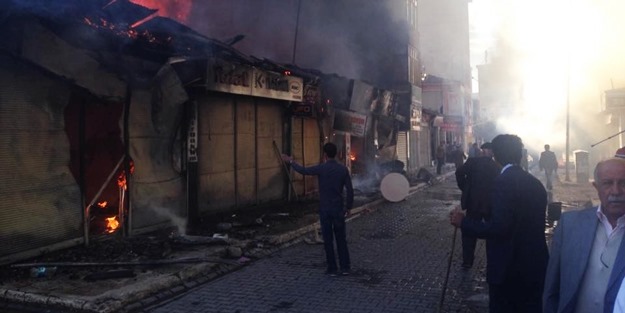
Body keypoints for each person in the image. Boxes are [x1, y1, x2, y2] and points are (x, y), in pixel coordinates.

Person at [450, 134, 549, 313]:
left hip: (509, 268)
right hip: (535, 266)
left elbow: (499, 228)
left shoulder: (503, 183)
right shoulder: (535, 184)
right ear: (520, 155)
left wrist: (464, 223)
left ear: (495, 155)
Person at [544, 158, 625, 313]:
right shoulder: (570, 225)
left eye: (623, 183)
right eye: (608, 183)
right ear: (596, 187)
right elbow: (552, 288)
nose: (616, 191)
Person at [281, 142, 354, 276]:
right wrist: (348, 207)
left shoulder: (321, 168)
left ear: (325, 155)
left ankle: (332, 268)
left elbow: (303, 171)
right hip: (338, 209)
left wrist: (291, 161)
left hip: (325, 209)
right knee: (341, 239)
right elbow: (350, 190)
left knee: (328, 240)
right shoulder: (343, 170)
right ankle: (345, 267)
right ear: (336, 154)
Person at [454, 142, 501, 269]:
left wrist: (465, 188)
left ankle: (467, 261)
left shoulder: (472, 162)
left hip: (473, 203)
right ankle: (493, 261)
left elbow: (459, 173)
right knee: (492, 233)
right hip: (490, 204)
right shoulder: (496, 166)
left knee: (469, 231)